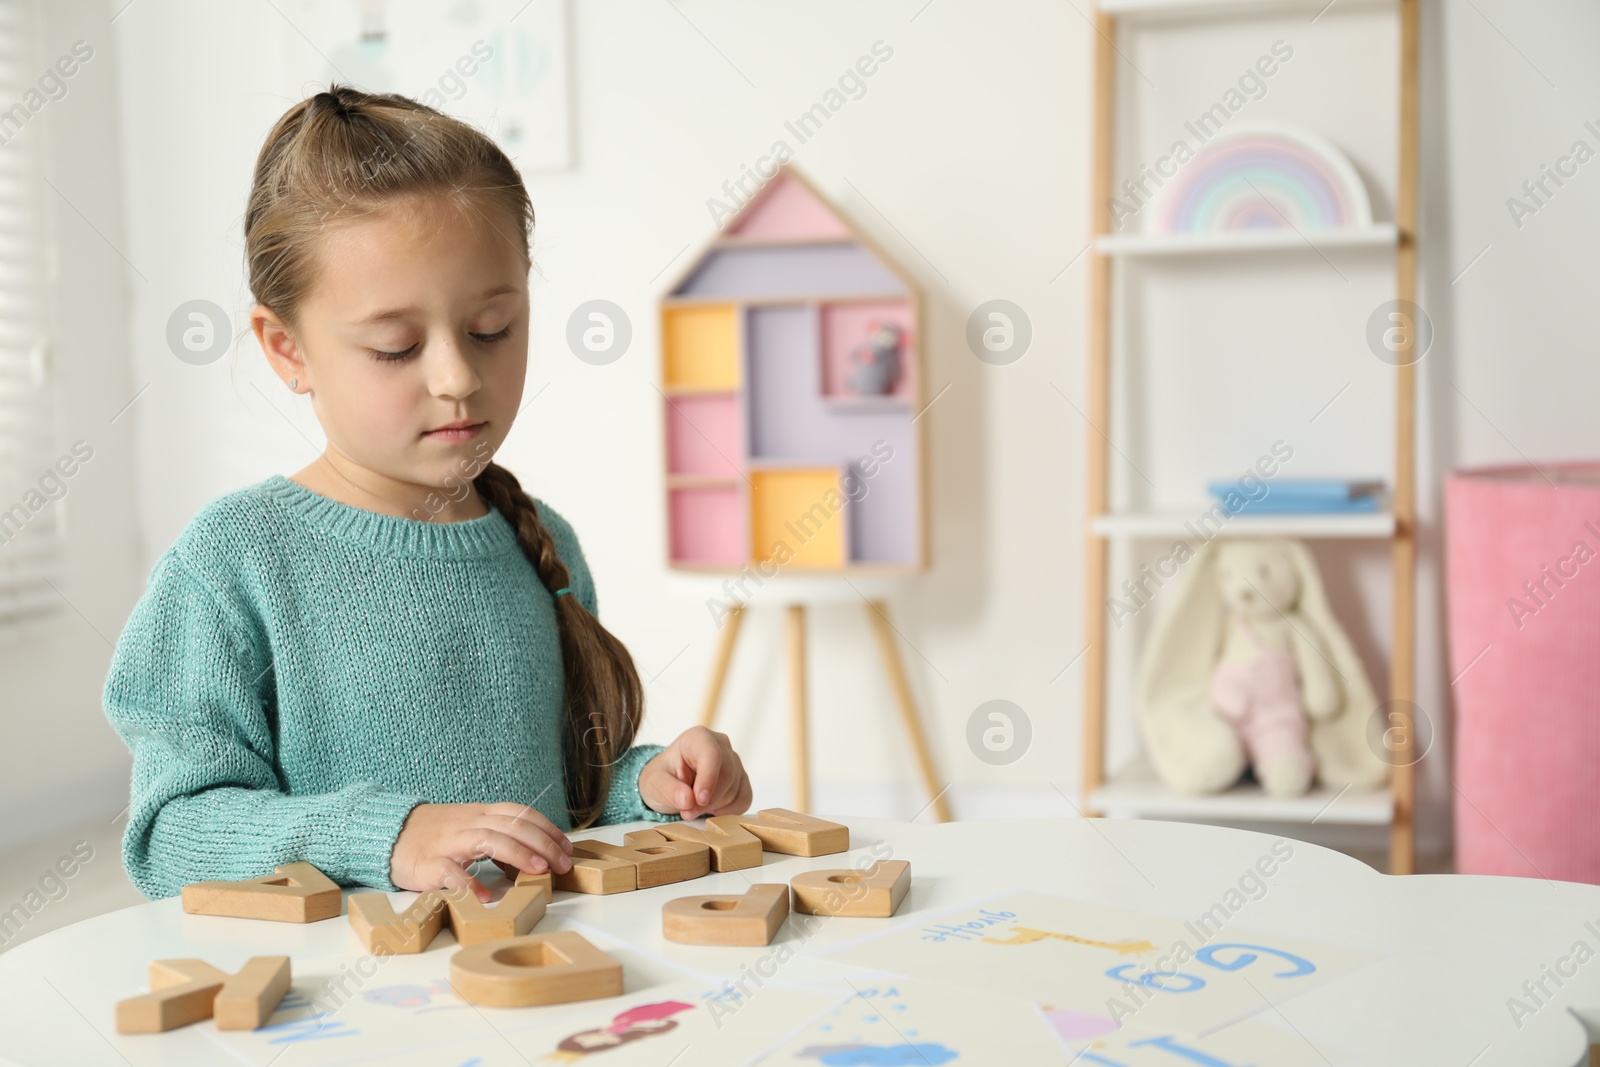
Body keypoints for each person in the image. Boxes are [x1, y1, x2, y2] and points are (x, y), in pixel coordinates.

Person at [102, 84, 751, 902]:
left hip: (528, 980)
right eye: (395, 346)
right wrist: (389, 833)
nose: (458, 377)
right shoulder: (234, 560)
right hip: (341, 1006)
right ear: (286, 349)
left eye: (491, 329)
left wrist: (649, 786)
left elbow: (561, 806)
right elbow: (171, 836)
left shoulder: (539, 541)